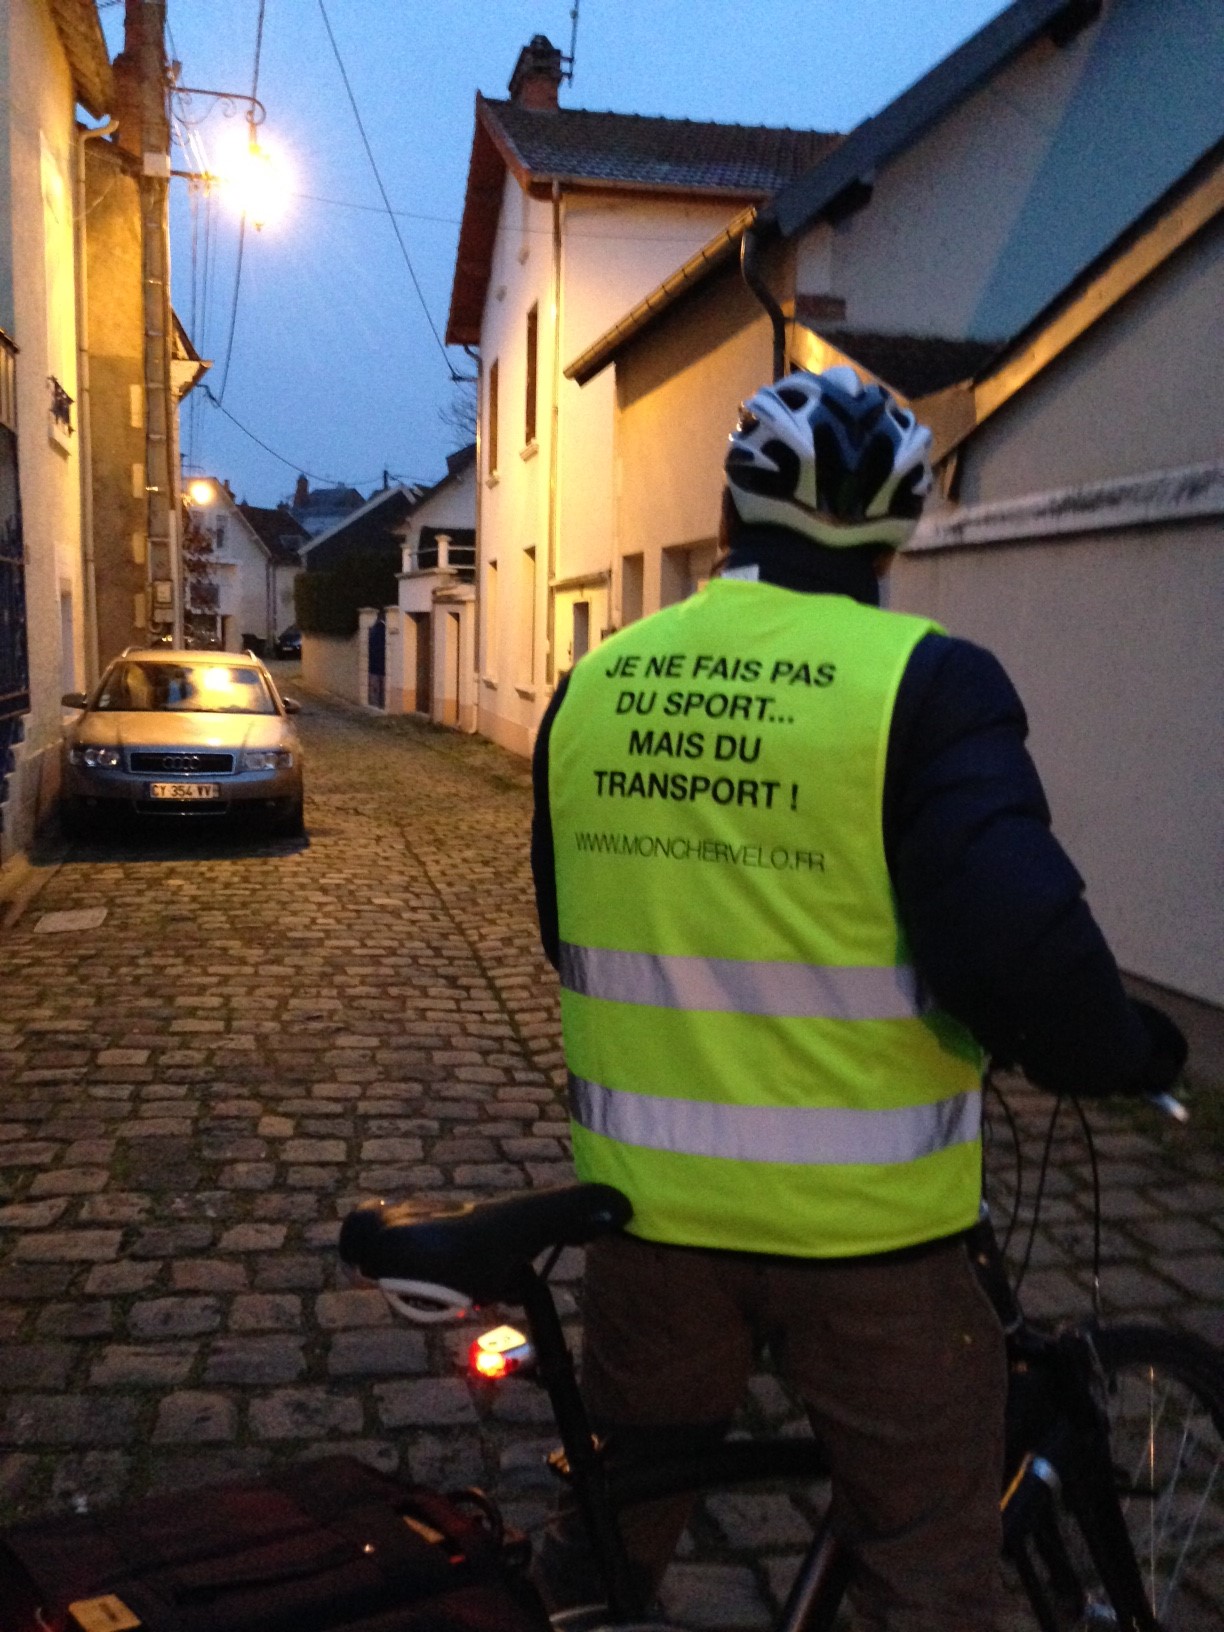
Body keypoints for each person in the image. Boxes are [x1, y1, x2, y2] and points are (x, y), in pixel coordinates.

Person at [529, 366, 1187, 1631]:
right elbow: (1020, 948)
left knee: (609, 1542)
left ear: (732, 516)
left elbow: (572, 931)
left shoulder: (596, 687)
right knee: (928, 1563)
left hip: (648, 1223)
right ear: (895, 532)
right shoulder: (927, 684)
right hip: (875, 1244)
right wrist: (1123, 1046)